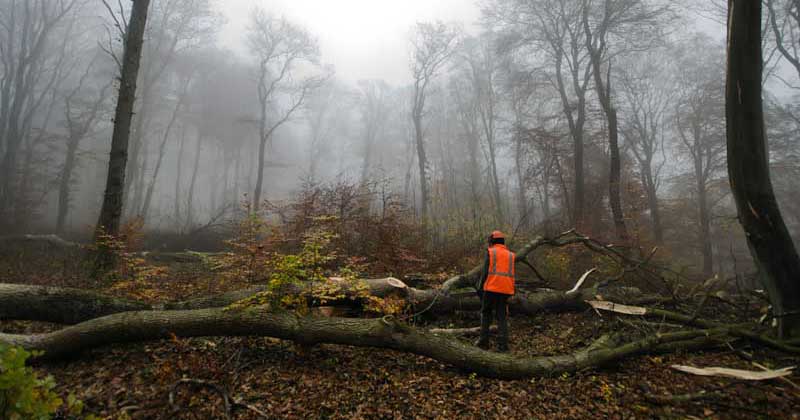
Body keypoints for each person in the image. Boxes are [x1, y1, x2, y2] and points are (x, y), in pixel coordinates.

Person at [474, 230, 515, 352]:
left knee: (486, 313)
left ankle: (483, 341)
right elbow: (511, 274)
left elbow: (485, 272)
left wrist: (479, 287)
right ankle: (503, 345)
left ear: (492, 240)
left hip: (491, 288)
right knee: (501, 316)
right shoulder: (511, 255)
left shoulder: (491, 252)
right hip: (506, 289)